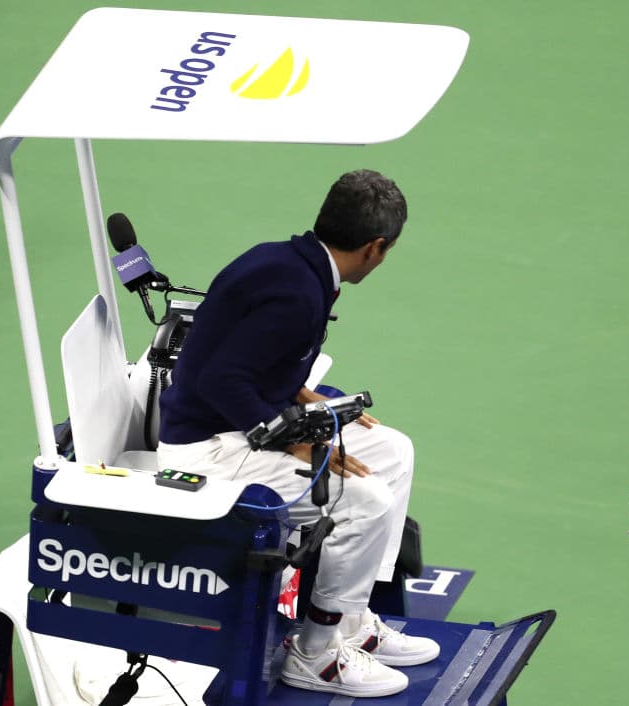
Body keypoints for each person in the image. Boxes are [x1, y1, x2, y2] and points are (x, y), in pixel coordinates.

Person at [156, 169, 439, 698]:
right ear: (375, 248)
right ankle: (317, 652)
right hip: (207, 452)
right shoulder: (299, 294)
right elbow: (222, 379)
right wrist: (299, 444)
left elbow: (249, 358)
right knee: (364, 501)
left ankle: (352, 621)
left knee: (393, 452)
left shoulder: (286, 262)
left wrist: (307, 397)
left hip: (239, 428)